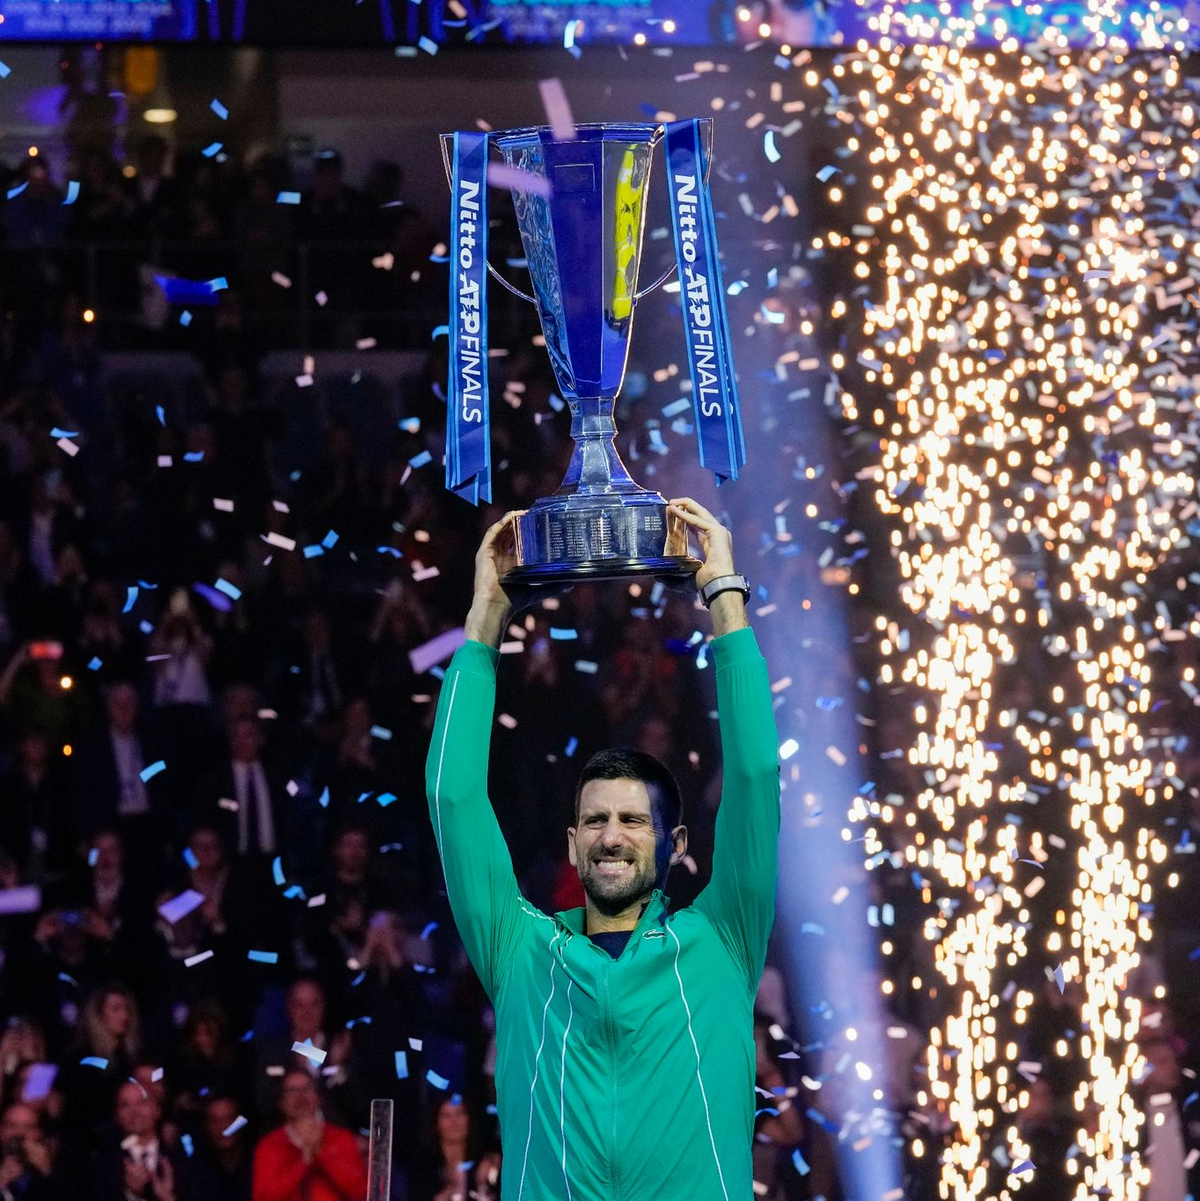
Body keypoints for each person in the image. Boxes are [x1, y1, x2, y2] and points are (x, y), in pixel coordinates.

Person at [425, 498, 780, 1198]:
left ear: (676, 843)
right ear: (571, 843)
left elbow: (755, 775)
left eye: (632, 820)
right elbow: (452, 797)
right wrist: (484, 620)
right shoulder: (520, 952)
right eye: (594, 821)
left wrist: (725, 597)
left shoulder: (723, 939)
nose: (610, 835)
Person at [250, 1069, 366, 1201]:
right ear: (281, 1102)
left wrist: (320, 1152)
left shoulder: (340, 1138)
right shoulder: (270, 1145)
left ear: (319, 1097)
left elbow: (359, 1192)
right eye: (291, 1090)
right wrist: (304, 1161)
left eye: (307, 1088)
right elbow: (264, 1197)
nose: (300, 1096)